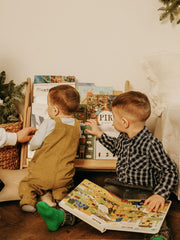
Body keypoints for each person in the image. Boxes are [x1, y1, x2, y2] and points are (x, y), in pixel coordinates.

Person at [85, 91, 178, 240]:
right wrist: (99, 134)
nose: (112, 121)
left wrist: (160, 194)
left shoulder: (150, 144)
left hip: (142, 191)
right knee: (96, 199)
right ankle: (64, 216)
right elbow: (116, 147)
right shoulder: (123, 136)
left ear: (124, 122)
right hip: (119, 185)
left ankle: (160, 236)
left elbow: (170, 171)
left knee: (153, 212)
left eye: (114, 118)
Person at [19, 85, 80, 218]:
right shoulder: (77, 126)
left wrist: (32, 145)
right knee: (63, 186)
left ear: (55, 110)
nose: (47, 109)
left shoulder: (49, 123)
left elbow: (36, 143)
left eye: (48, 106)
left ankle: (28, 203)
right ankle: (59, 197)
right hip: (64, 176)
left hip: (42, 174)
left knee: (28, 184)